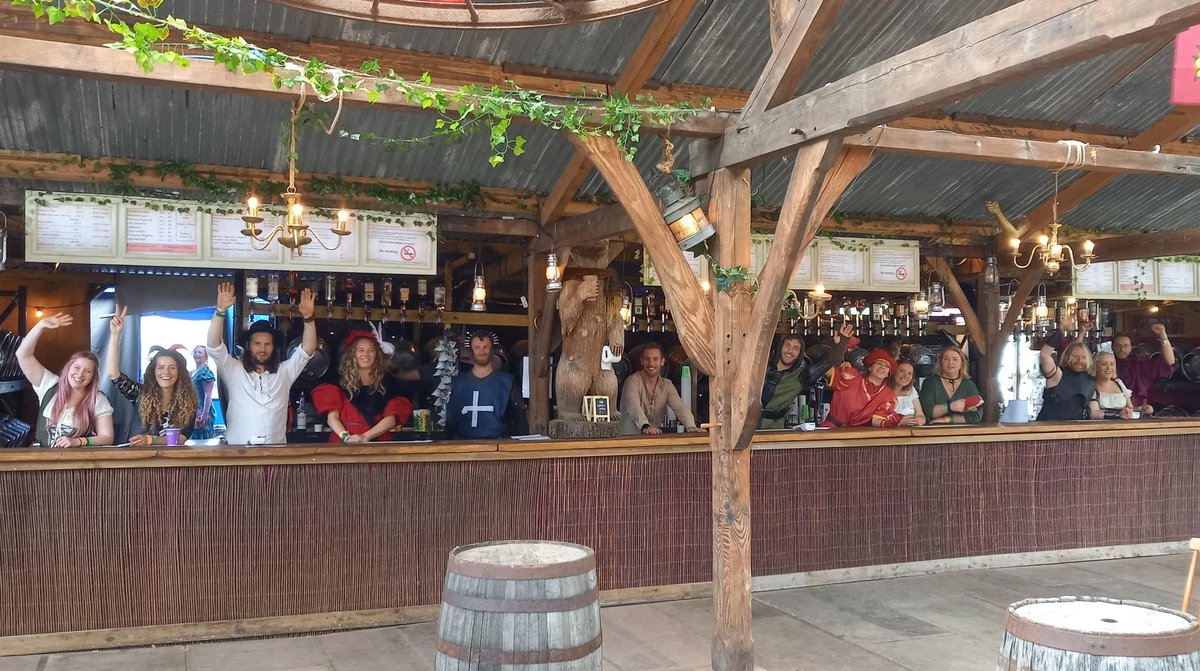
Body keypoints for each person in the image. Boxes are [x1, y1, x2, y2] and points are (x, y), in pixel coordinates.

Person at [206, 282, 317, 445]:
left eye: (267, 344)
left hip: (275, 455)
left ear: (274, 347)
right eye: (257, 343)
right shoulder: (233, 369)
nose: (262, 349)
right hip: (238, 454)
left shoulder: (284, 372)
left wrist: (309, 318)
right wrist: (221, 311)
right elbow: (213, 345)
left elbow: (308, 348)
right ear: (249, 346)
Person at [16, 312, 114, 447]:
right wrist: (41, 326)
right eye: (77, 367)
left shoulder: (97, 399)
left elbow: (107, 437)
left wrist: (79, 441)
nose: (80, 374)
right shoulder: (49, 384)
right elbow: (22, 355)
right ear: (68, 368)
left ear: (93, 377)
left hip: (72, 462)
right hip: (40, 458)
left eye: (88, 371)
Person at [106, 306, 198, 446]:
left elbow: (182, 438)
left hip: (172, 463)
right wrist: (115, 334)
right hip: (140, 461)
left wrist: (150, 440)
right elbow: (114, 374)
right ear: (153, 372)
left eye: (172, 368)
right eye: (160, 367)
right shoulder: (140, 393)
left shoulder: (188, 402)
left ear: (180, 373)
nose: (166, 372)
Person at [313, 330, 413, 443]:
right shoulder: (338, 382)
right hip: (344, 444)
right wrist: (346, 438)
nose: (366, 354)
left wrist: (366, 436)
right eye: (360, 350)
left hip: (378, 444)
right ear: (352, 354)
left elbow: (391, 419)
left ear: (376, 354)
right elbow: (332, 418)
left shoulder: (388, 383)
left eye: (371, 350)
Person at [759, 323, 852, 429]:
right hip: (742, 424)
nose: (790, 351)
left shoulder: (802, 375)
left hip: (772, 428)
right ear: (780, 347)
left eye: (795, 348)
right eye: (787, 345)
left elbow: (829, 361)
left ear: (800, 353)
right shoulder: (760, 367)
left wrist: (840, 345)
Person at [445, 330, 525, 439]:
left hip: (498, 448)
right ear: (471, 351)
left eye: (485, 347)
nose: (481, 352)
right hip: (462, 447)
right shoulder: (457, 383)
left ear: (492, 350)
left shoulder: (507, 383)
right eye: (477, 348)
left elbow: (519, 422)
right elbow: (449, 423)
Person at [619, 342, 705, 435]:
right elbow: (633, 407)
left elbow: (680, 408)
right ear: (641, 361)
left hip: (653, 439)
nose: (651, 363)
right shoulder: (632, 381)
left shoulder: (666, 385)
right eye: (647, 359)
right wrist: (645, 426)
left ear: (662, 361)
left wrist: (691, 426)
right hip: (629, 440)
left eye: (655, 359)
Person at [821, 348, 901, 428]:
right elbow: (824, 370)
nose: (882, 367)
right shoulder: (851, 376)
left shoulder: (888, 395)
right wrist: (838, 359)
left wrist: (897, 422)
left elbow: (877, 420)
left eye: (887, 366)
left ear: (888, 374)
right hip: (832, 430)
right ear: (870, 367)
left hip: (859, 435)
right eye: (879, 363)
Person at [1035, 320, 1095, 422]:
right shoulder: (1057, 375)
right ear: (1067, 357)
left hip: (1075, 432)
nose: (1080, 360)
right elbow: (1045, 355)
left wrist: (1082, 333)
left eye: (1083, 357)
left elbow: (1095, 412)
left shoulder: (1091, 381)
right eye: (1075, 357)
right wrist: (1061, 330)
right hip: (1047, 430)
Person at [1113, 323, 1175, 415]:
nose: (1122, 349)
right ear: (1112, 347)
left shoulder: (1139, 365)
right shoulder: (1108, 365)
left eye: (1126, 346)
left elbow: (1169, 363)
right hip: (1114, 414)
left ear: (1131, 348)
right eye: (1118, 345)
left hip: (1140, 415)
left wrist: (1163, 336)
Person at [918, 345, 984, 425]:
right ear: (940, 362)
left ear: (961, 364)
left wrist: (947, 419)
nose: (950, 362)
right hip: (934, 432)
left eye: (955, 359)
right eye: (946, 359)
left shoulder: (969, 385)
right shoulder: (930, 382)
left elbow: (975, 416)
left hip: (963, 434)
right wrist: (950, 406)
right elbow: (928, 412)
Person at [1089, 352, 1134, 420]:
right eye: (1104, 364)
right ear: (1096, 367)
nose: (1109, 367)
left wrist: (1141, 409)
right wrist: (1118, 415)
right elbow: (1094, 413)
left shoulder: (1119, 383)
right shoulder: (1091, 385)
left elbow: (1130, 407)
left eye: (1112, 364)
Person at [191, 345, 220, 439]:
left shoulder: (206, 373)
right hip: (194, 410)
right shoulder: (193, 372)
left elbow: (208, 395)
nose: (197, 354)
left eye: (200, 352)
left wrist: (204, 415)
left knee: (203, 438)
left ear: (206, 356)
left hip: (203, 411)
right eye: (195, 352)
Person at [890, 360, 926, 427]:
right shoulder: (883, 390)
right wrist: (898, 422)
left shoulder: (911, 390)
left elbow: (920, 414)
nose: (906, 375)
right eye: (902, 371)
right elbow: (879, 418)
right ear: (893, 372)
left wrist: (920, 420)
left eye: (909, 373)